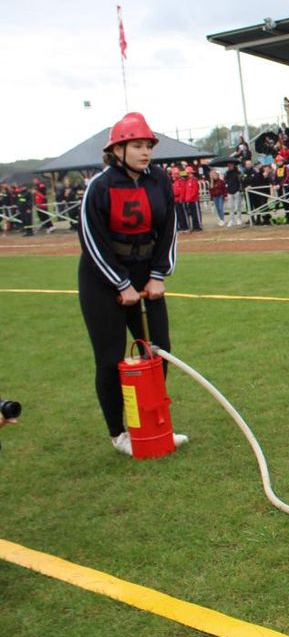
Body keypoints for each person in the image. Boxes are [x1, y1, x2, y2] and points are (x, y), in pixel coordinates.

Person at [78, 113, 187, 456]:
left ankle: (153, 424)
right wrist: (121, 284)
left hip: (146, 271)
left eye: (148, 146)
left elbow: (169, 230)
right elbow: (91, 240)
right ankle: (119, 433)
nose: (146, 152)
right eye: (137, 145)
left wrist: (157, 276)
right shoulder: (100, 186)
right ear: (118, 149)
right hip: (102, 277)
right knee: (110, 358)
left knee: (158, 349)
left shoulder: (159, 181)